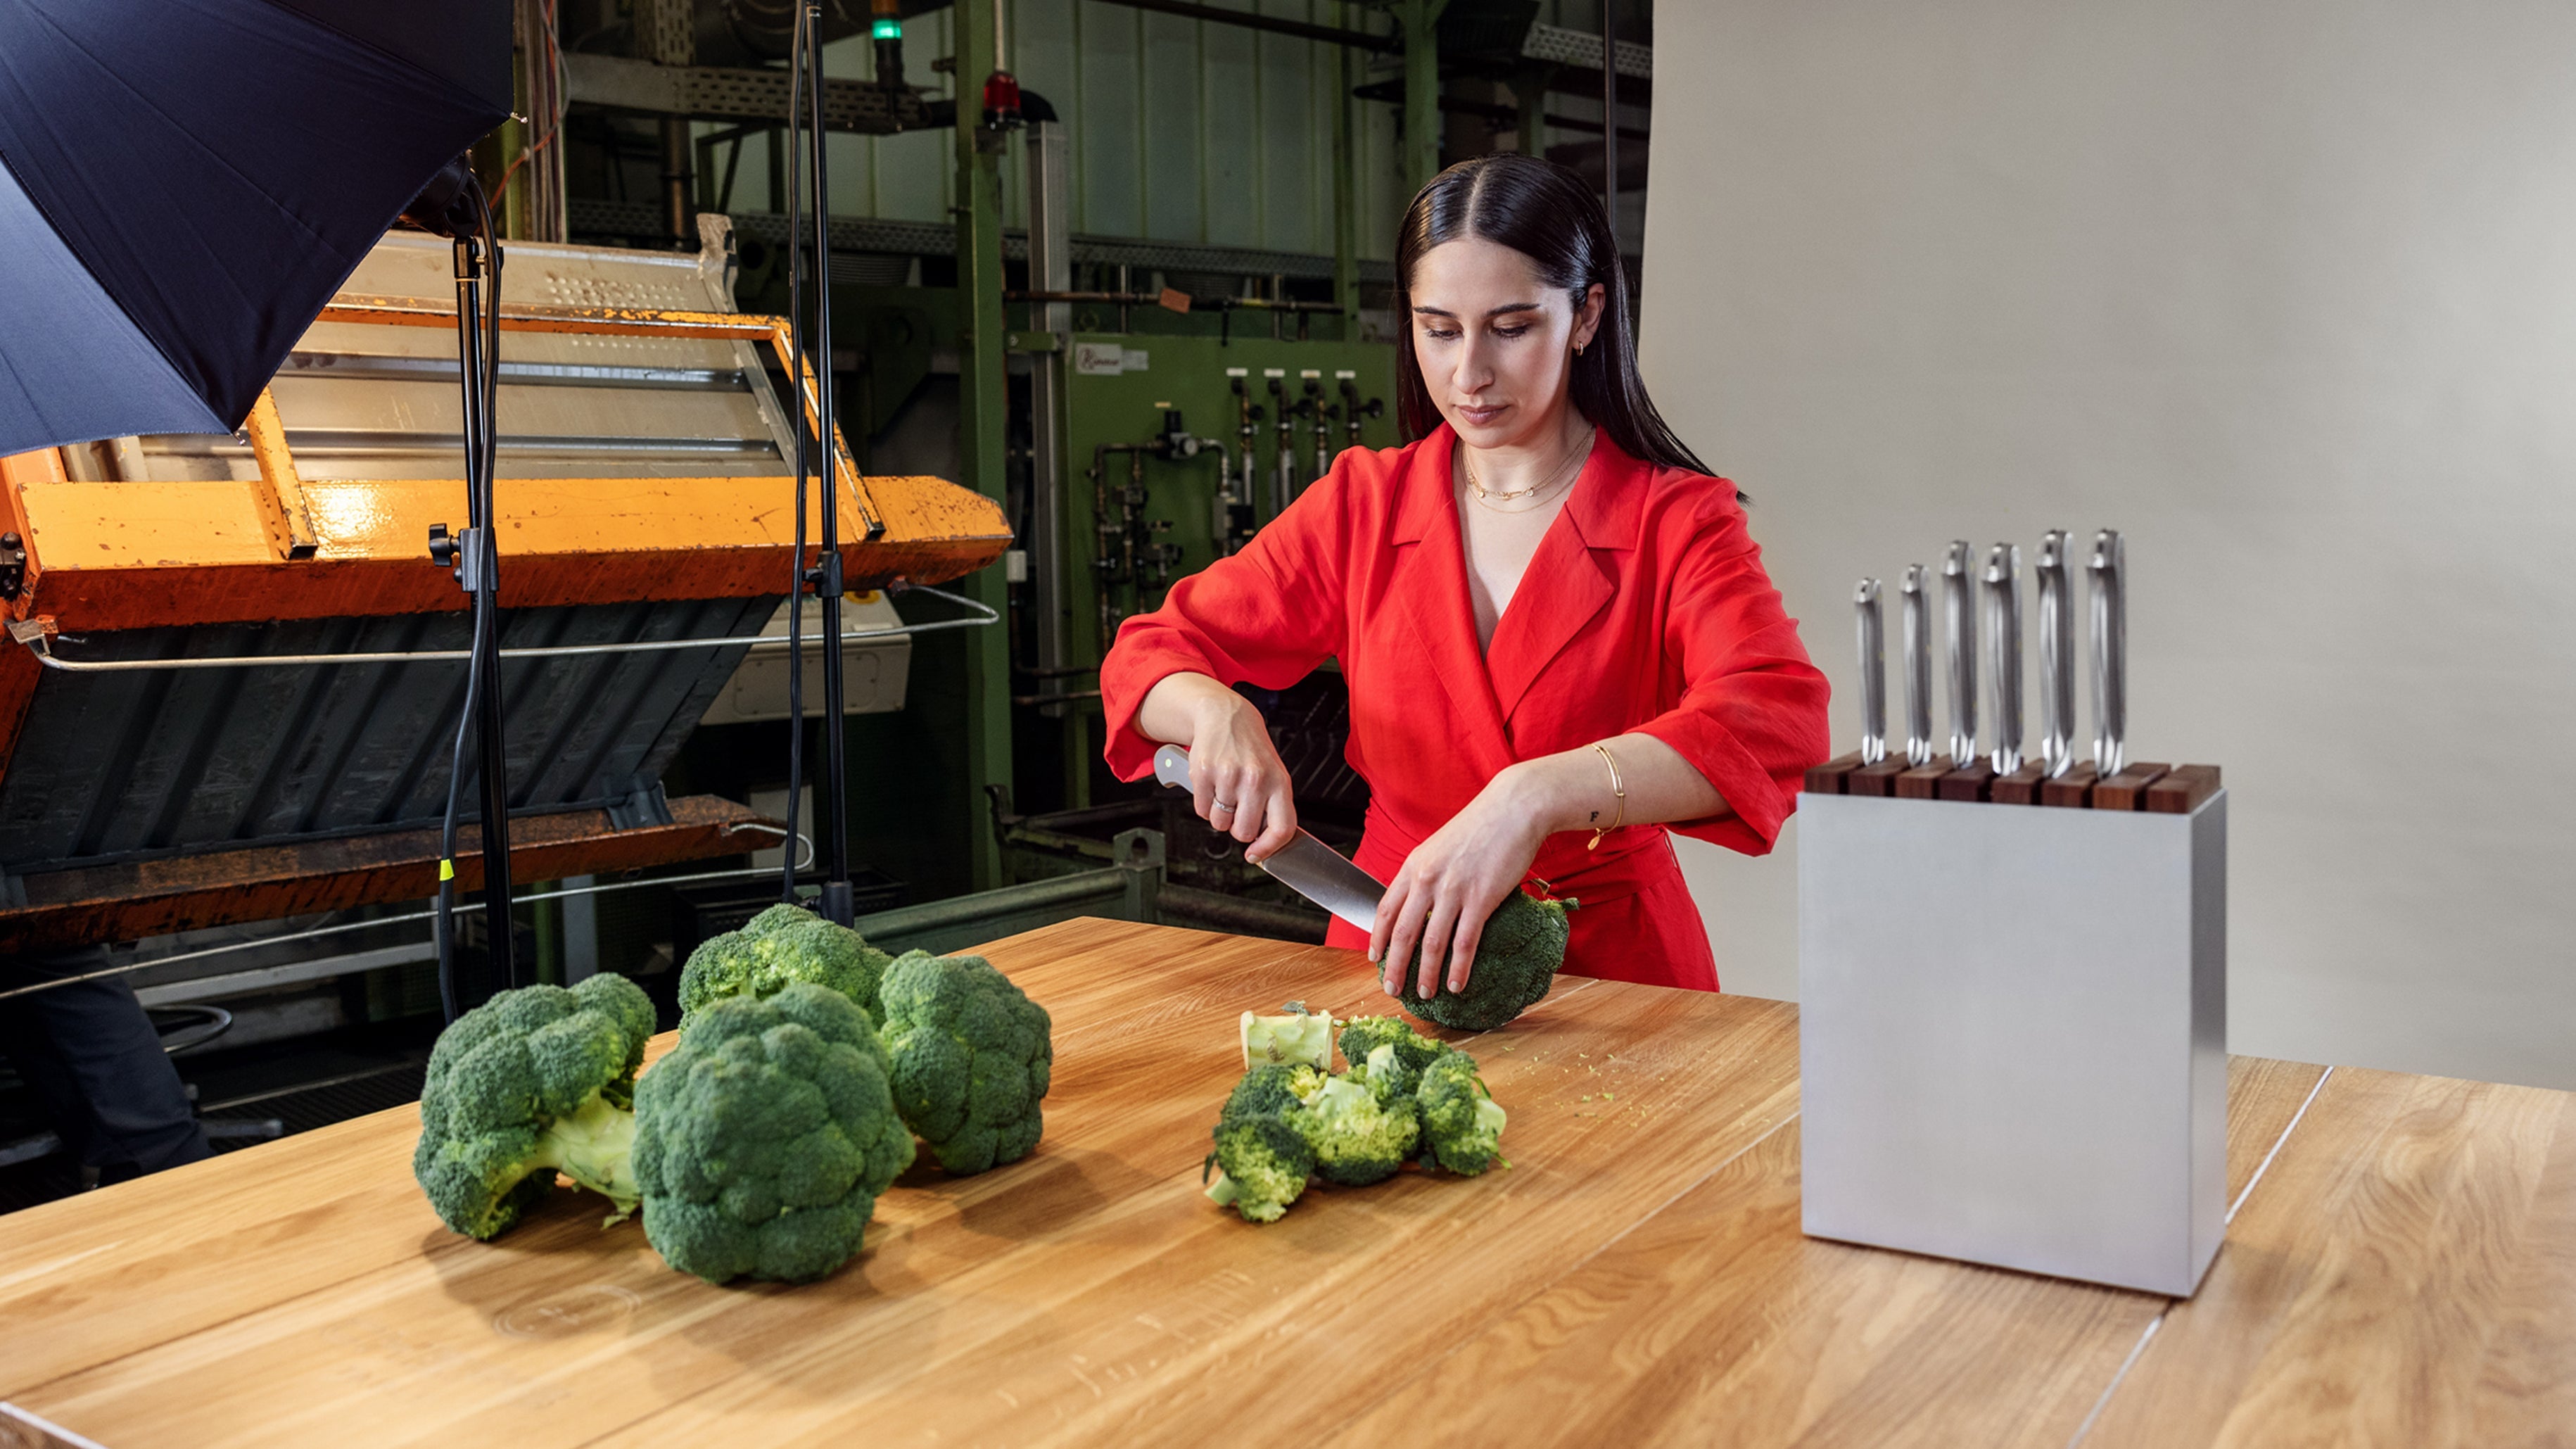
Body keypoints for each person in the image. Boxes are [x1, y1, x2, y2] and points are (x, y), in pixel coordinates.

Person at [1099, 153, 1829, 999]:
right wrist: (1214, 711)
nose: (1468, 374)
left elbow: (1775, 721)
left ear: (1587, 315)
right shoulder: (1362, 506)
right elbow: (1150, 653)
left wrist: (1538, 794)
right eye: (1439, 329)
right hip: (1392, 940)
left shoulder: (1677, 520)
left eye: (1511, 328)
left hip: (1616, 975)